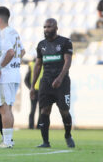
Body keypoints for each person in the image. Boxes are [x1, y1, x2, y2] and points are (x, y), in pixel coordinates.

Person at [30, 18, 75, 148]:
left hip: (62, 82)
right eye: (44, 27)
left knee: (64, 111)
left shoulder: (65, 42)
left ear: (56, 27)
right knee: (44, 110)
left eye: (49, 27)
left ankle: (67, 135)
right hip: (46, 82)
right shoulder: (41, 45)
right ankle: (45, 142)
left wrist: (60, 78)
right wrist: (32, 87)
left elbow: (68, 61)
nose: (46, 29)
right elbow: (38, 65)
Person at [0, 6, 25, 148]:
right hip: (14, 73)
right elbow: (22, 51)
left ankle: (6, 142)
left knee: (4, 109)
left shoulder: (3, 33)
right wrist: (14, 65)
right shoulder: (14, 32)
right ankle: (9, 140)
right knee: (7, 108)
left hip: (5, 76)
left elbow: (10, 52)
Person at [24, 58, 43, 129]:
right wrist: (31, 88)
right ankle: (31, 126)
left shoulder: (44, 64)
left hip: (42, 91)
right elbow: (26, 80)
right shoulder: (31, 65)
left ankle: (39, 127)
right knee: (33, 110)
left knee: (41, 110)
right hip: (34, 91)